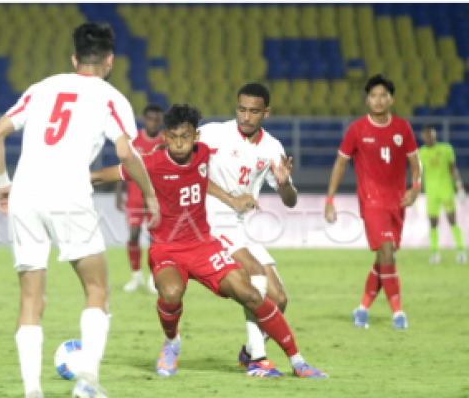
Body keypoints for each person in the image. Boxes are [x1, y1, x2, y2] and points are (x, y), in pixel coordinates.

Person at [0, 22, 158, 398]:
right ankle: (88, 385)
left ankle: (32, 391)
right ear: (110, 60)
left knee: (31, 298)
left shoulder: (41, 88)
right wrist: (149, 196)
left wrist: (3, 185)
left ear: (74, 58)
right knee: (97, 289)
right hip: (68, 194)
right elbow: (127, 154)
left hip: (25, 195)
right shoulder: (111, 98)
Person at [92, 104, 327, 379]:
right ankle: (171, 344)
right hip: (167, 247)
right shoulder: (151, 163)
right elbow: (100, 176)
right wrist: (69, 185)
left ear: (196, 138)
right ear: (165, 137)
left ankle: (298, 362)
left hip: (203, 245)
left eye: (186, 137)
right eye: (174, 137)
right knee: (170, 293)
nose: (180, 144)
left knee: (251, 294)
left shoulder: (203, 154)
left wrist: (231, 198)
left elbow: (202, 178)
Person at [197, 83, 297, 377]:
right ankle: (258, 361)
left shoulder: (272, 148)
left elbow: (290, 201)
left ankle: (248, 352)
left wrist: (284, 183)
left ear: (266, 112)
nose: (246, 117)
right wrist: (231, 199)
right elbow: (188, 170)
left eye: (254, 111)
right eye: (242, 109)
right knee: (254, 273)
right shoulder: (213, 133)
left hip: (239, 224)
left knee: (279, 300)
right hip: (210, 218)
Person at [324, 74, 421, 330]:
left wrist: (416, 187)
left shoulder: (403, 128)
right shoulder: (357, 129)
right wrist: (330, 199)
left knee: (384, 258)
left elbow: (415, 162)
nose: (378, 100)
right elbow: (340, 164)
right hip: (371, 201)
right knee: (387, 252)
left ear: (391, 100)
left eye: (383, 96)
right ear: (368, 100)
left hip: (398, 201)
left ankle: (363, 308)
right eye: (374, 96)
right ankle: (398, 314)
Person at [115, 103, 164, 292]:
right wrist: (119, 194)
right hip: (134, 196)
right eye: (150, 118)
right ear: (144, 120)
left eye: (157, 119)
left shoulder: (164, 141)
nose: (154, 122)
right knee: (134, 235)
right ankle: (136, 276)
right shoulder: (133, 140)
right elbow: (124, 166)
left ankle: (153, 278)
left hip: (156, 198)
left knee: (154, 238)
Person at [418, 125, 466, 264]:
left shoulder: (446, 149)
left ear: (435, 135)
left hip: (446, 191)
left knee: (452, 220)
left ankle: (461, 251)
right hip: (431, 193)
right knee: (433, 223)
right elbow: (418, 174)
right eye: (426, 135)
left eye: (431, 134)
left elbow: (453, 168)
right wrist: (415, 192)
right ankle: (434, 253)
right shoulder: (420, 153)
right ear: (423, 137)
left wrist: (460, 187)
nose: (429, 137)